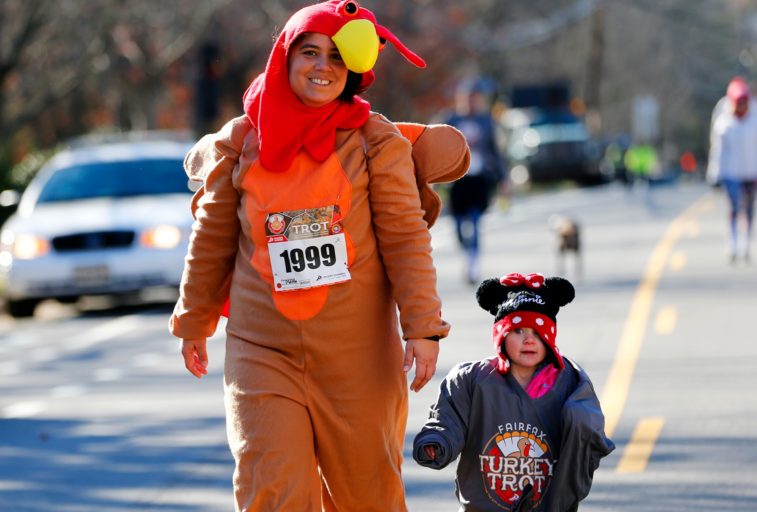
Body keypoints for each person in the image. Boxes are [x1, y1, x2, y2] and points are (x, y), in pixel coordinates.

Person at [168, 1, 468, 510]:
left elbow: (405, 237)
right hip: (262, 347)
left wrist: (422, 327)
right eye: (309, 52)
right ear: (284, 57)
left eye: (336, 57)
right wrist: (194, 318)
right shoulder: (241, 142)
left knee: (366, 497)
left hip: (358, 355)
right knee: (273, 488)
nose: (322, 67)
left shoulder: (377, 143)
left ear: (352, 70)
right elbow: (212, 237)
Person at [413, 273, 614, 511]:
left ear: (550, 338)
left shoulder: (570, 382)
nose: (529, 340)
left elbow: (589, 432)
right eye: (518, 331)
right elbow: (447, 420)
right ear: (501, 336)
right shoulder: (472, 380)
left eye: (538, 333)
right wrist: (436, 442)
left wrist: (581, 421)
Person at [445, 77, 506, 285]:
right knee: (460, 225)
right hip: (457, 180)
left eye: (474, 98)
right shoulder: (450, 121)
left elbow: (496, 151)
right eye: (467, 98)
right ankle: (466, 249)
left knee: (476, 221)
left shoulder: (486, 121)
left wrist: (504, 178)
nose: (470, 102)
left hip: (480, 179)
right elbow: (436, 152)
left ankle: (473, 265)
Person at [707, 77, 757, 263]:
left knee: (749, 209)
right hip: (731, 173)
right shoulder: (723, 121)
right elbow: (717, 149)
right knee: (734, 208)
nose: (742, 106)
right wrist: (714, 173)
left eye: (744, 102)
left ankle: (746, 243)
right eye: (738, 103)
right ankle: (732, 243)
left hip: (752, 172)